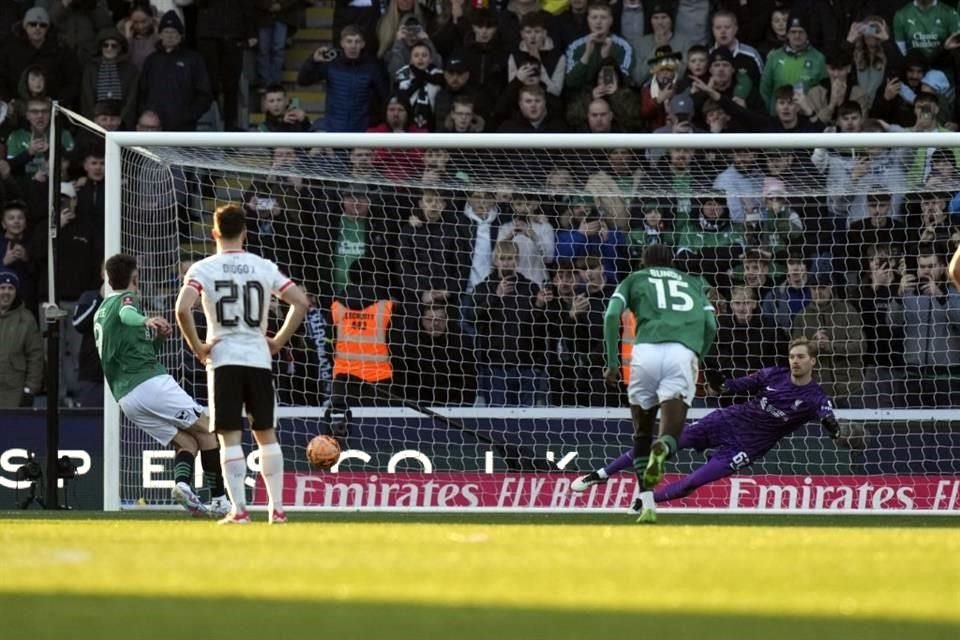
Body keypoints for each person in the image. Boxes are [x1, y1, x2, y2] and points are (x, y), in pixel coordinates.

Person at [573, 338, 843, 518]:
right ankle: (601, 473)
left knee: (693, 482)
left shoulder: (815, 396)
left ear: (813, 362)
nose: (794, 361)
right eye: (792, 356)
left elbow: (828, 419)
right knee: (662, 444)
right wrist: (718, 381)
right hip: (726, 420)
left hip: (748, 446)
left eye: (800, 357)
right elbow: (731, 387)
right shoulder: (773, 374)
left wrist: (835, 430)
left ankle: (649, 499)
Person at [175, 204, 310, 524]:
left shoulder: (202, 269)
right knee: (266, 434)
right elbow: (301, 302)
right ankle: (277, 510)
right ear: (245, 234)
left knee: (230, 437)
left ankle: (239, 510)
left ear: (214, 233)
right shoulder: (262, 266)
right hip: (259, 360)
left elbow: (182, 309)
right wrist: (277, 341)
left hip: (223, 361)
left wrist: (199, 347)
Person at [94, 254, 229, 518]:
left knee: (186, 442)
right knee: (208, 432)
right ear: (135, 277)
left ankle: (181, 485)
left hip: (126, 398)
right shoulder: (125, 301)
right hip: (149, 383)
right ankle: (220, 500)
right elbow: (128, 313)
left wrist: (157, 339)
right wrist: (145, 320)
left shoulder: (101, 311)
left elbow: (135, 347)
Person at [601, 244, 717, 523]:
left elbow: (610, 316)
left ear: (644, 260)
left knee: (642, 433)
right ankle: (663, 449)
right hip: (682, 353)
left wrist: (613, 362)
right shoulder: (693, 283)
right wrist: (698, 355)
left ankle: (647, 503)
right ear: (672, 262)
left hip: (645, 354)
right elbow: (711, 325)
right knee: (670, 434)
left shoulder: (634, 279)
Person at [0, 268, 42, 408]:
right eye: (2, 288)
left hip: (14, 392)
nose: (6, 292)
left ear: (16, 292)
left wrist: (30, 389)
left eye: (10, 288)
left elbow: (35, 356)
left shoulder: (26, 319)